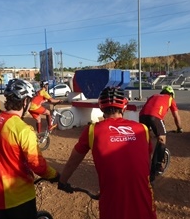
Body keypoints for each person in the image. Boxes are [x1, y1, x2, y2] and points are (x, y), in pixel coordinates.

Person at [58, 86, 157, 219]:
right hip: (145, 201)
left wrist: (62, 181)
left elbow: (73, 162)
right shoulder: (142, 129)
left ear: (101, 108)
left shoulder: (92, 130)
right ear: (124, 107)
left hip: (112, 202)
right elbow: (146, 163)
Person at [0, 79, 59, 219]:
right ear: (25, 102)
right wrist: (55, 175)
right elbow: (37, 164)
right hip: (21, 197)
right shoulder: (24, 130)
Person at [139, 85, 183, 182]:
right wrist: (179, 128)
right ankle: (157, 166)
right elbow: (176, 116)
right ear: (171, 94)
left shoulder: (153, 96)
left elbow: (148, 108)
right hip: (155, 117)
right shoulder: (170, 99)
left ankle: (140, 161)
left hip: (142, 116)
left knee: (144, 140)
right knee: (162, 139)